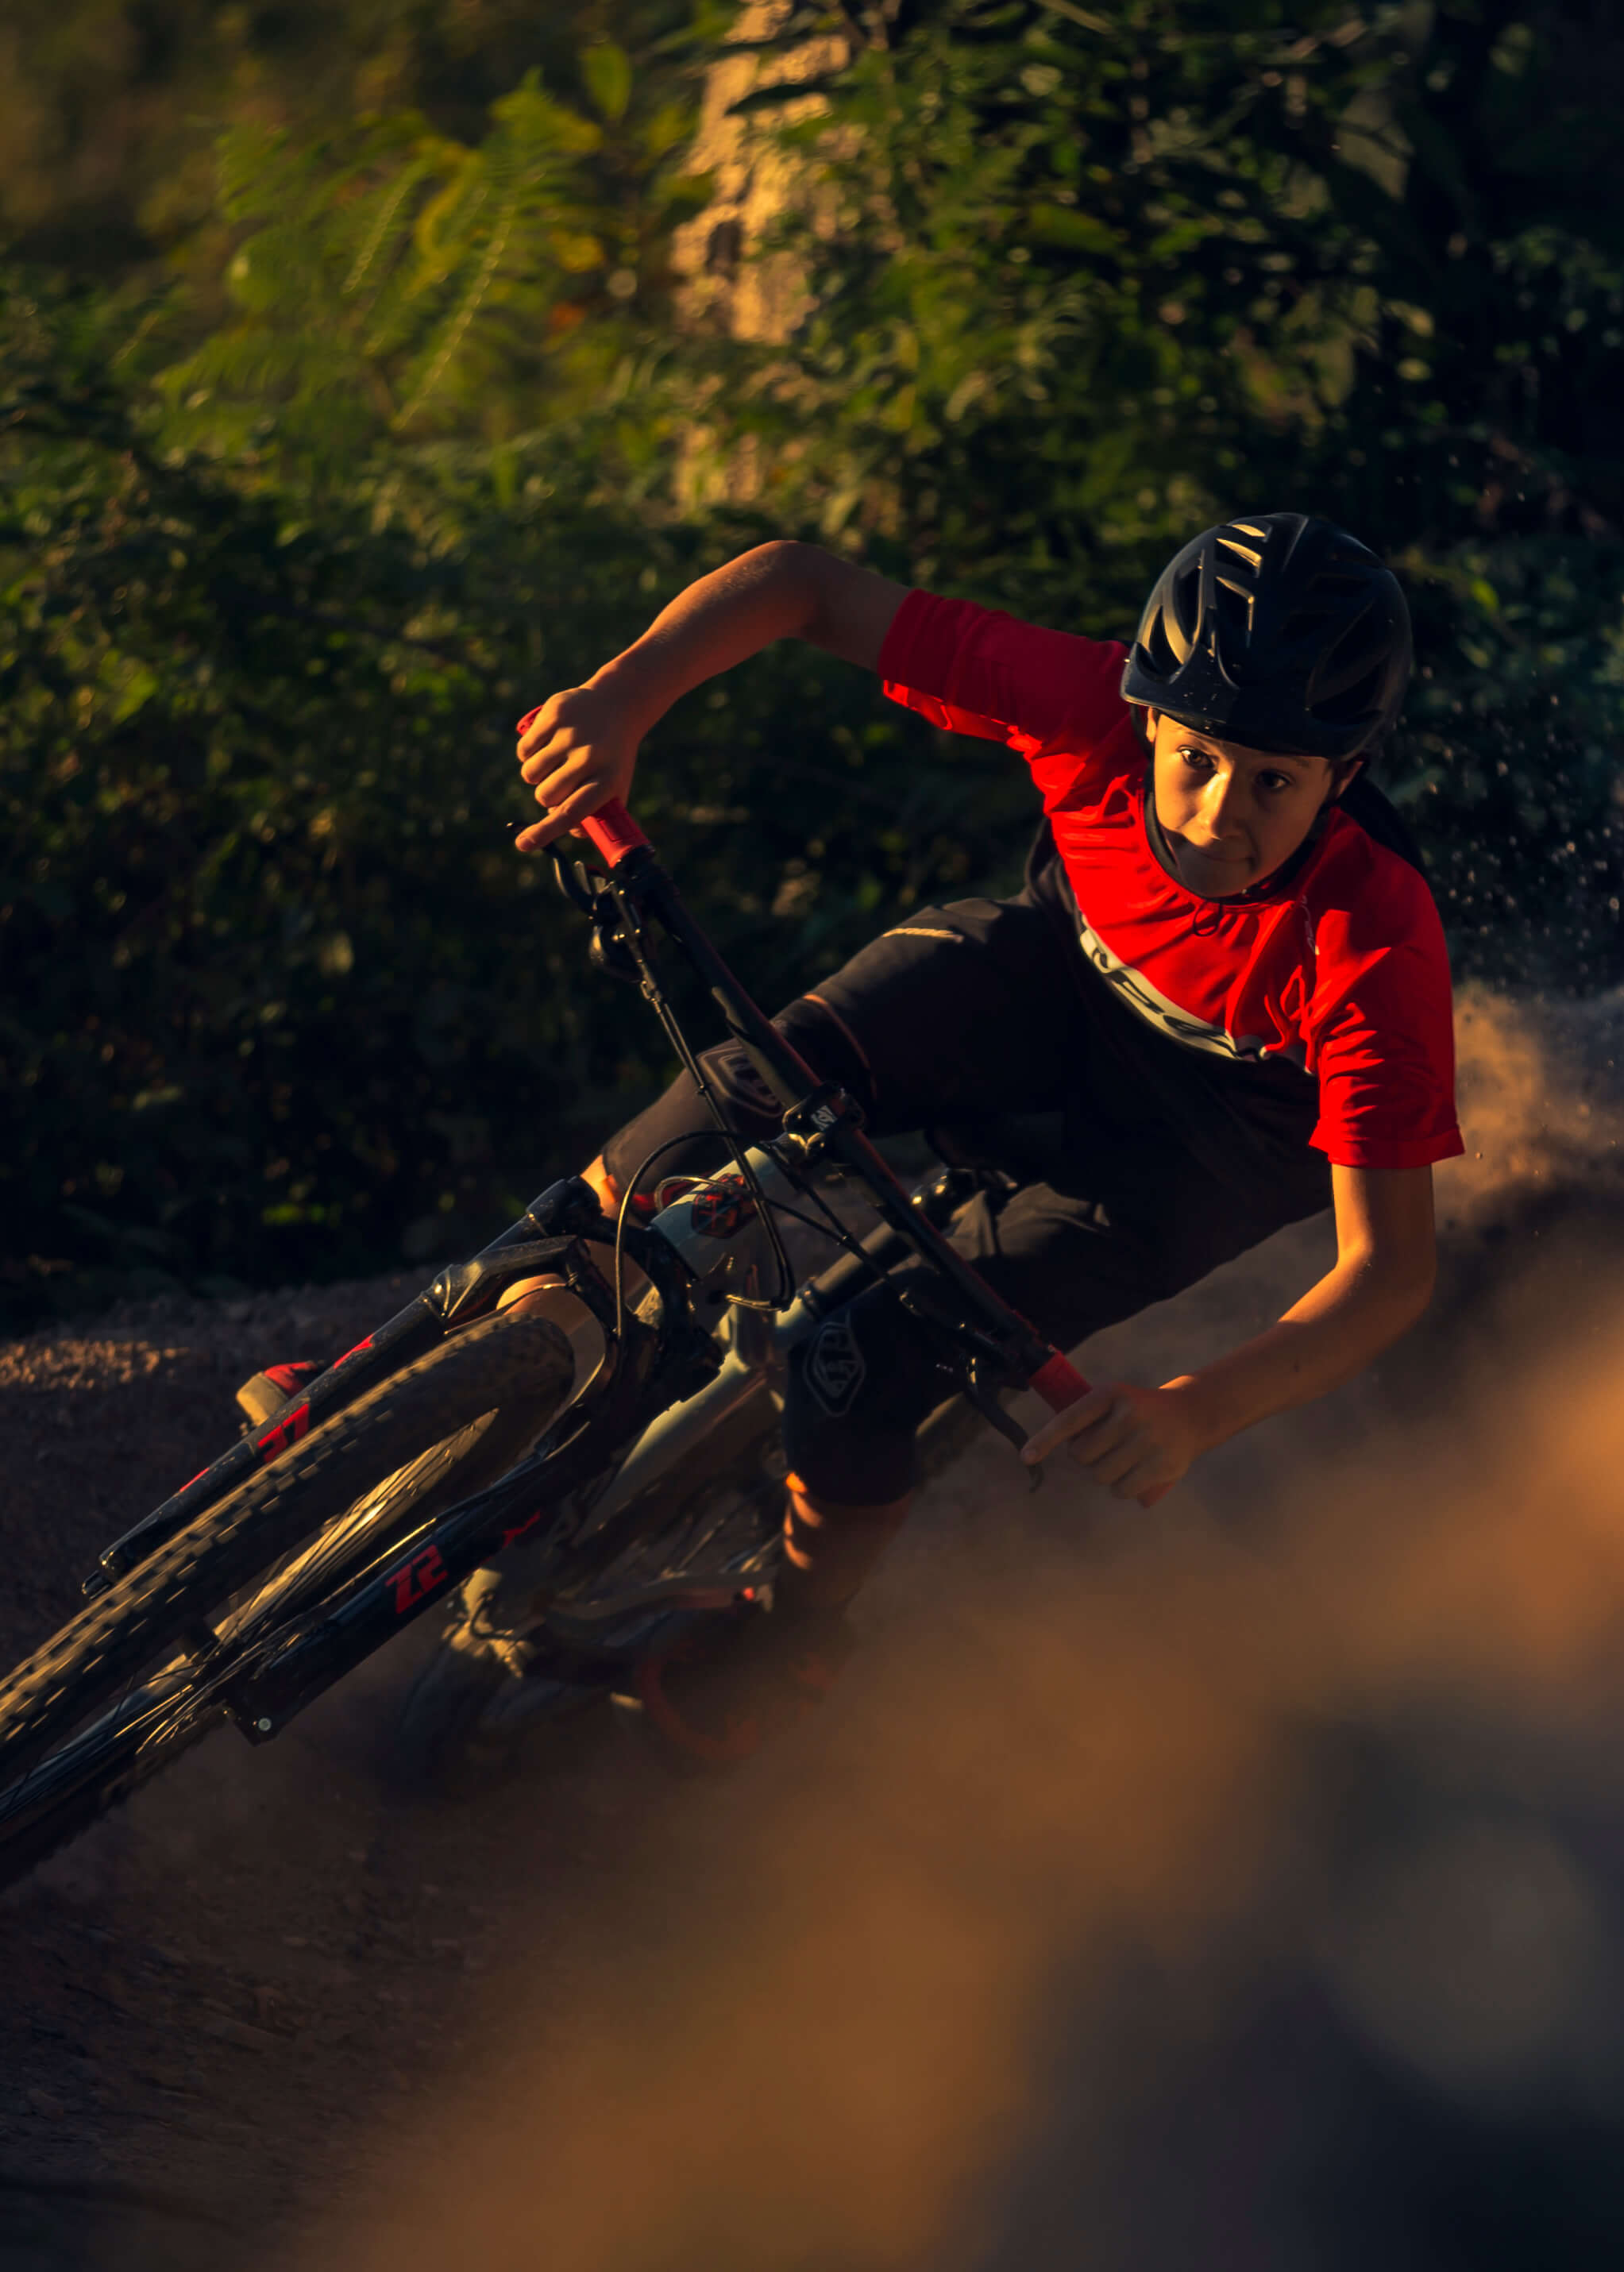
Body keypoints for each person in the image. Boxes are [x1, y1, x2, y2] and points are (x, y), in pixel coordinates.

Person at [502, 512, 1462, 1762]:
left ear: (1347, 771)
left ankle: (795, 1628)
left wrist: (1190, 1412)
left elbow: (1391, 1269)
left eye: (1276, 779)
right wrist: (623, 696)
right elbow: (804, 586)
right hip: (1052, 979)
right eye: (1197, 760)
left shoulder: (1376, 945)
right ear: (1147, 715)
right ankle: (431, 1358)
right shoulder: (1080, 702)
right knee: (737, 1095)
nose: (1224, 812)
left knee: (862, 1366)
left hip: (1199, 1145)